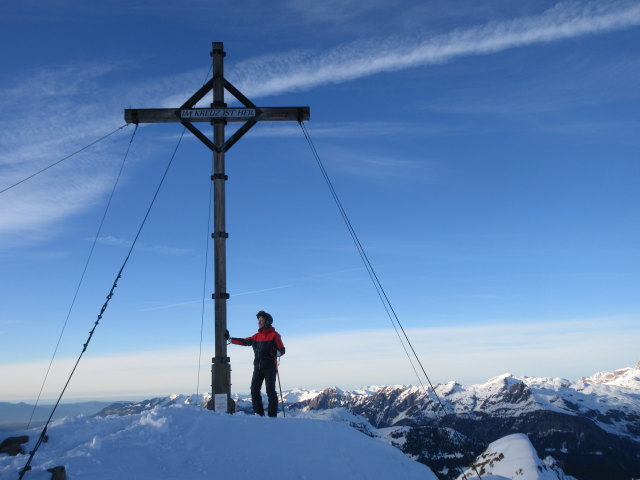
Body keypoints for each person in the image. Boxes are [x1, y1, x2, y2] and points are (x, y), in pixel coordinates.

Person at [226, 310, 285, 417]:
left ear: (267, 322)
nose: (259, 322)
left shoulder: (275, 335)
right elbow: (244, 341)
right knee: (254, 391)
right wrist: (229, 339)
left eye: (261, 320)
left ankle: (272, 417)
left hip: (270, 368)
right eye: (259, 320)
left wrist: (275, 352)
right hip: (258, 368)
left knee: (270, 392)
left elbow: (282, 350)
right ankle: (259, 415)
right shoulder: (256, 336)